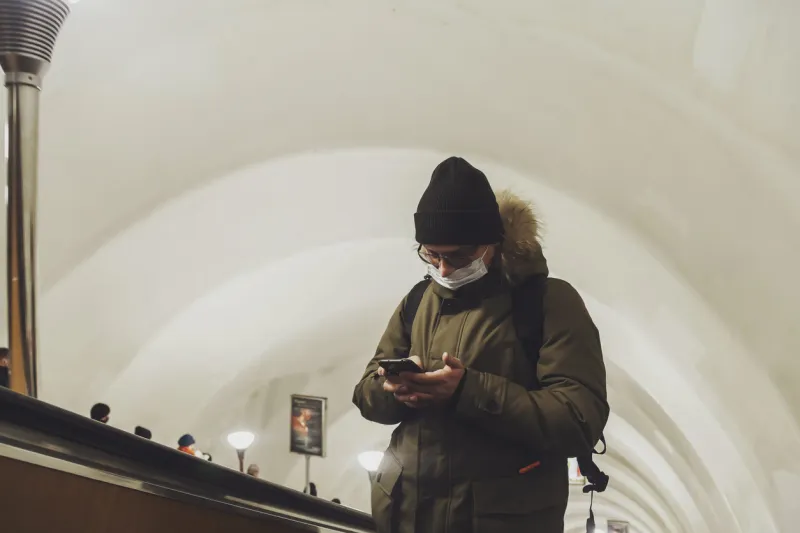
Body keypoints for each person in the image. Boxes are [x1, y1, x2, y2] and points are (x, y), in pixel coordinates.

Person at [352, 157, 609, 533]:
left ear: (493, 242)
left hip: (497, 520)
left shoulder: (547, 302)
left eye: (458, 256)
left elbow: (578, 418)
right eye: (431, 254)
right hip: (407, 516)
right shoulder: (416, 301)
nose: (443, 269)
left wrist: (468, 391)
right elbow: (364, 393)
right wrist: (396, 389)